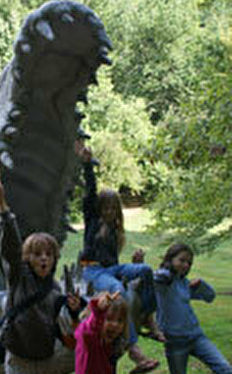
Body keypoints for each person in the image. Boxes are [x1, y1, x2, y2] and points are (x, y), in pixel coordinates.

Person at [75, 140, 163, 374]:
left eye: (114, 209)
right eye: (105, 208)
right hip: (94, 270)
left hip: (113, 267)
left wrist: (134, 261)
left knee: (144, 271)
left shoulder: (114, 231)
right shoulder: (93, 222)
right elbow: (90, 192)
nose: (109, 212)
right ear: (98, 209)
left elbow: (116, 262)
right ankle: (133, 348)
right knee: (118, 292)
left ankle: (148, 318)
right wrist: (87, 166)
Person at [0, 167, 85, 374]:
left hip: (45, 359)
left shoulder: (55, 289)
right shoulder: (18, 276)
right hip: (18, 359)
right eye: (37, 254)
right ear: (27, 258)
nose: (43, 258)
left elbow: (63, 325)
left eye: (48, 254)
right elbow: (11, 247)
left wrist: (74, 309)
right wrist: (2, 207)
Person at [154, 243, 232, 374]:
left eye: (189, 263)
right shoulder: (163, 281)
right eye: (182, 260)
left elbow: (210, 296)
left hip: (197, 338)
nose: (186, 265)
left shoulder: (184, 284)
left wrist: (201, 284)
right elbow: (154, 278)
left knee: (224, 369)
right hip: (175, 342)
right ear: (170, 259)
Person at [75, 291, 129, 374]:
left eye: (120, 320)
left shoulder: (115, 344)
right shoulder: (89, 340)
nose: (115, 324)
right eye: (109, 319)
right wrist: (98, 311)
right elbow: (88, 331)